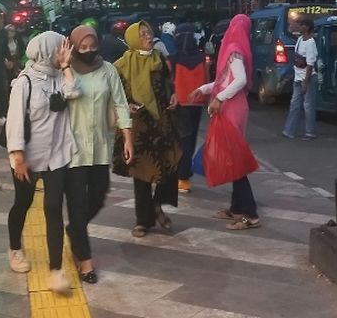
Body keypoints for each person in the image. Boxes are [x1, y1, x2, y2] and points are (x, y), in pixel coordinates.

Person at [5, 31, 79, 295]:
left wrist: (66, 65)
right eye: (61, 48)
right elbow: (14, 121)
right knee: (23, 203)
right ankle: (15, 249)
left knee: (54, 208)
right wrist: (18, 157)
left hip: (57, 155)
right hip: (27, 156)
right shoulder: (24, 82)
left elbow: (74, 92)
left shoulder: (61, 76)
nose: (64, 51)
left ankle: (55, 270)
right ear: (47, 50)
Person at [64, 23, 134, 283]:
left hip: (100, 147)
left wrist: (127, 136)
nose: (89, 50)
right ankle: (86, 262)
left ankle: (74, 229)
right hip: (71, 150)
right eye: (83, 47)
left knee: (98, 196)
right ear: (73, 46)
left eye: (92, 46)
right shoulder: (65, 69)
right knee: (77, 204)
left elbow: (120, 102)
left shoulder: (108, 70)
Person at [191, 13, 261, 230]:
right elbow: (224, 80)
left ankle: (250, 214)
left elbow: (238, 81)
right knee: (233, 158)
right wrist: (204, 89)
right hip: (233, 106)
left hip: (232, 108)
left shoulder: (234, 51)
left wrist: (219, 98)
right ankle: (237, 207)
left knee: (235, 160)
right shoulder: (236, 49)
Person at [112, 21, 180, 237]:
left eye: (148, 32)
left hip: (162, 121)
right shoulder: (122, 65)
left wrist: (173, 95)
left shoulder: (159, 58)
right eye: (142, 35)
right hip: (139, 125)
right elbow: (116, 94)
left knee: (171, 162)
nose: (148, 37)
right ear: (133, 39)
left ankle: (157, 202)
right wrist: (125, 105)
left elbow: (169, 83)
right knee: (141, 173)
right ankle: (143, 221)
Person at [171, 23, 208, 193]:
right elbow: (207, 79)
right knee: (191, 139)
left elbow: (169, 83)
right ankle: (184, 177)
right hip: (197, 104)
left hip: (180, 104)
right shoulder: (202, 57)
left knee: (180, 140)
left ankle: (182, 176)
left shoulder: (173, 58)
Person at [281, 16, 318, 140]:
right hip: (298, 77)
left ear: (307, 27)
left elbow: (310, 64)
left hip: (307, 78)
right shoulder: (300, 39)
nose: (299, 27)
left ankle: (310, 132)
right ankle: (289, 130)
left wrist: (305, 82)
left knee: (308, 106)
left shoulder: (311, 43)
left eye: (302, 25)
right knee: (295, 104)